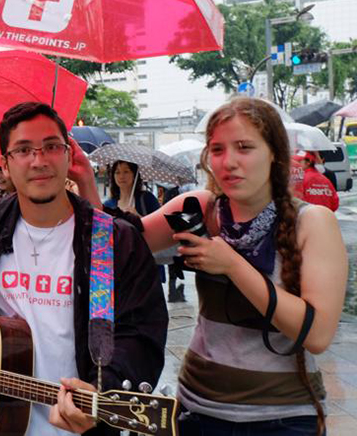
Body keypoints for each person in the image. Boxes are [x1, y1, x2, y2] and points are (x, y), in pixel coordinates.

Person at [0, 102, 168, 435]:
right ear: (6, 165)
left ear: (69, 156)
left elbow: (143, 332)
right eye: (23, 150)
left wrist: (103, 388)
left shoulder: (112, 242)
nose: (39, 161)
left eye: (51, 146)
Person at [140, 97, 347, 435]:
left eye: (244, 147)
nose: (229, 162)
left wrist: (233, 265)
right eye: (217, 149)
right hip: (197, 409)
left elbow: (318, 334)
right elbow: (114, 245)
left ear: (275, 153)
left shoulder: (313, 223)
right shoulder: (203, 208)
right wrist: (82, 181)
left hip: (282, 418)